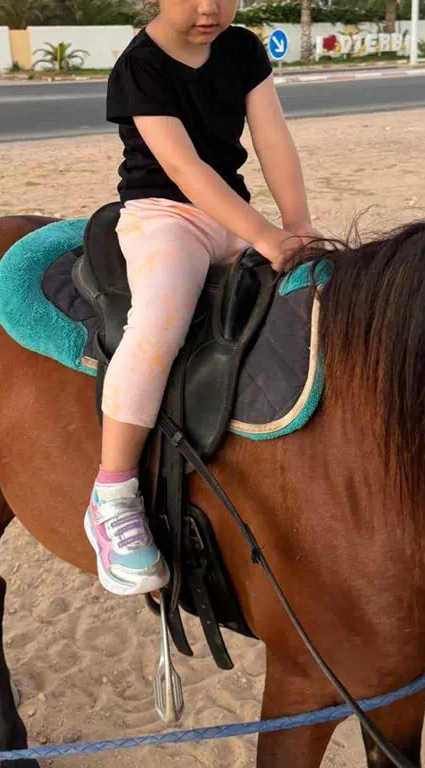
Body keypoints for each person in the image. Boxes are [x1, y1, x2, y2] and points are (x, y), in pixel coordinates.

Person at [84, 0, 319, 596]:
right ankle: (112, 494)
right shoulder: (141, 66)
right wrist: (266, 236)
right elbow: (185, 170)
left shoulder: (241, 50)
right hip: (165, 214)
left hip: (233, 216)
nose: (208, 7)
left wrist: (299, 226)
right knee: (160, 321)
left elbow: (272, 139)